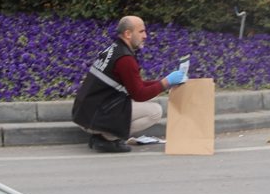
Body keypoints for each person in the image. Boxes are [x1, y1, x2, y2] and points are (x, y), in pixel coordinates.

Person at [72, 16, 186, 153]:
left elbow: (134, 84)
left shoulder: (114, 50)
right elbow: (139, 94)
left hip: (85, 113)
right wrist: (166, 82)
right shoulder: (125, 59)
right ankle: (107, 138)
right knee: (155, 112)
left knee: (135, 104)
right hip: (95, 117)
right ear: (128, 34)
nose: (145, 36)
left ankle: (101, 135)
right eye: (141, 31)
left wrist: (163, 81)